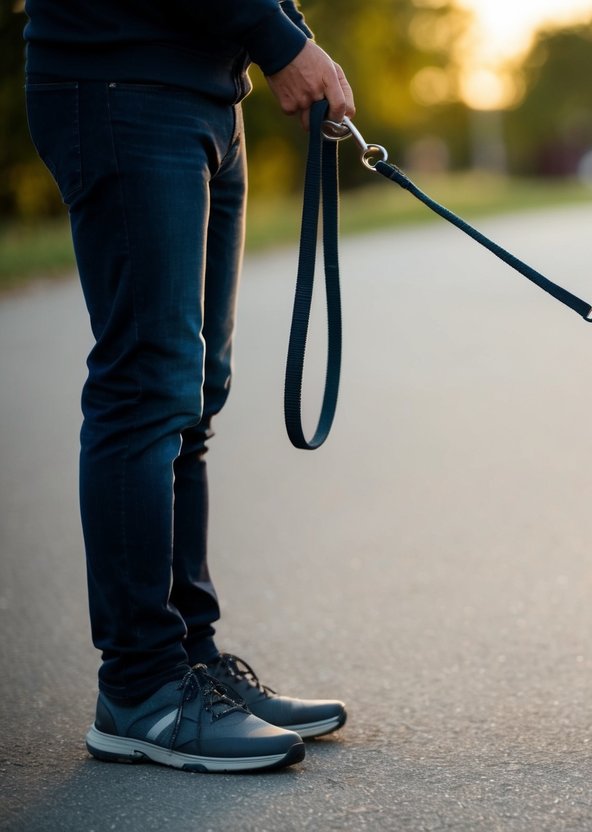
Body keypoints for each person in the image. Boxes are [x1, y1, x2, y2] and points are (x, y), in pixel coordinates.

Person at [24, 0, 355, 773]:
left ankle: (192, 664)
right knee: (147, 391)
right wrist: (281, 43)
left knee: (190, 398)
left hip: (205, 93)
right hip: (120, 82)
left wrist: (287, 34)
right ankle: (140, 688)